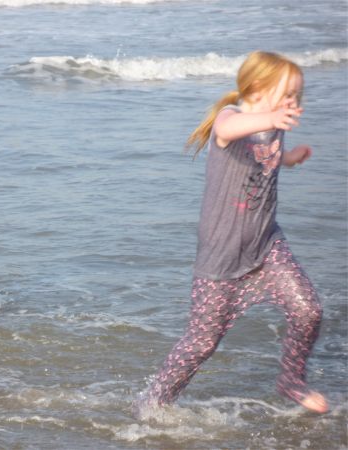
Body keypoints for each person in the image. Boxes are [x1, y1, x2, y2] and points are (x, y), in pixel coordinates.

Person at [133, 51, 328, 417]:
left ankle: (291, 380)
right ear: (257, 86)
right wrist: (269, 117)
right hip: (222, 254)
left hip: (266, 244)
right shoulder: (232, 116)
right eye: (288, 93)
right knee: (202, 343)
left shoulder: (275, 123)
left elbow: (266, 152)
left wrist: (289, 158)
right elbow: (225, 131)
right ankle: (154, 400)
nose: (293, 102)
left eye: (297, 95)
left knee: (309, 311)